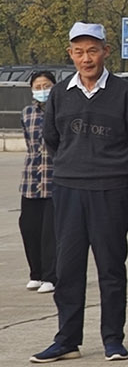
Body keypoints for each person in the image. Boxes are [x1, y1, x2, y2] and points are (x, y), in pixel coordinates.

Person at [31, 23, 128, 363]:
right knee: (67, 268)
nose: (86, 58)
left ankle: (113, 339)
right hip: (68, 189)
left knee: (111, 267)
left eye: (93, 51)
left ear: (105, 52)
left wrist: (117, 173)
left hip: (110, 190)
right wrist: (72, 167)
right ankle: (67, 339)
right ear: (70, 54)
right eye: (79, 52)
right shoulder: (60, 93)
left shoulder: (125, 92)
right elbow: (52, 139)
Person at [18, 71, 56, 294]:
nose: (42, 90)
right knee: (29, 228)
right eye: (38, 86)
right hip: (31, 180)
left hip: (54, 178)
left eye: (46, 85)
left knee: (51, 231)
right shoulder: (27, 113)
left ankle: (52, 276)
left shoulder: (61, 110)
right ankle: (36, 273)